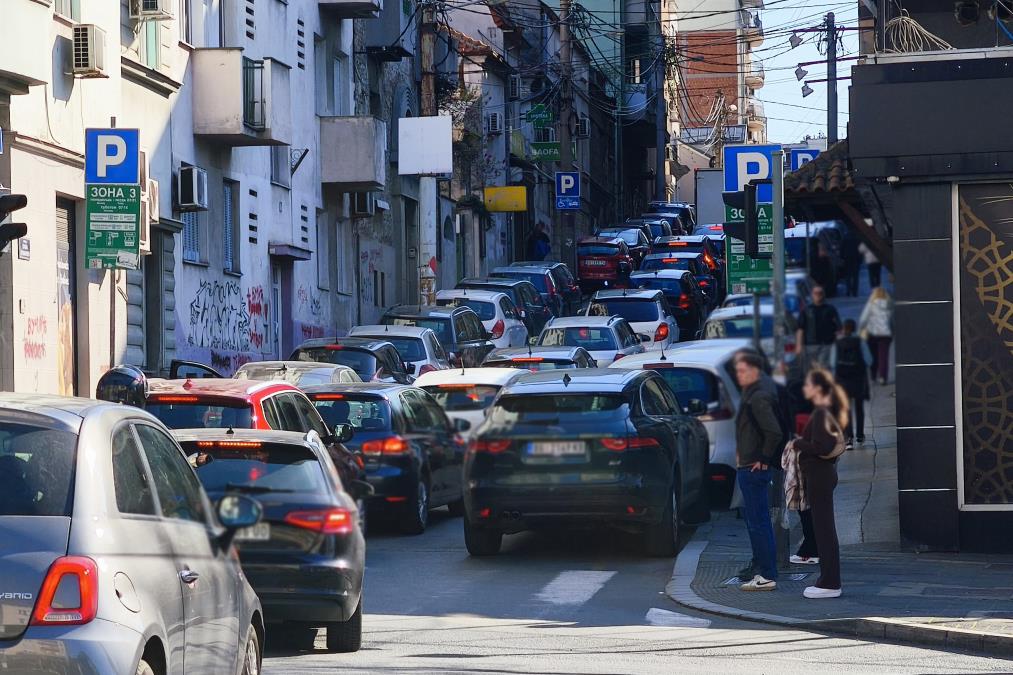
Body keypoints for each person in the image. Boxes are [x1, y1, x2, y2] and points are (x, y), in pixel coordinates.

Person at [792, 368, 849, 599]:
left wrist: (798, 444)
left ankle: (830, 582)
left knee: (824, 530)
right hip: (822, 474)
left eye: (808, 385)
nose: (805, 389)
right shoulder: (827, 411)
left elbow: (822, 447)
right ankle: (827, 580)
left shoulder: (821, 413)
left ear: (817, 388)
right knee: (824, 529)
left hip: (819, 476)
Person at [733, 351, 784, 592]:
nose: (738, 375)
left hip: (753, 468)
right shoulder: (756, 393)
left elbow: (773, 431)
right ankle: (763, 570)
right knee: (756, 521)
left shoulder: (758, 398)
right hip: (749, 464)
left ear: (755, 371)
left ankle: (766, 574)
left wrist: (762, 458)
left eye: (743, 371)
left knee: (758, 522)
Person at [830, 318, 872, 447]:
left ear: (843, 328)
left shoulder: (837, 343)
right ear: (854, 328)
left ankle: (848, 439)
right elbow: (869, 360)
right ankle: (860, 436)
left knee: (846, 409)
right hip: (858, 379)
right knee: (859, 408)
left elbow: (832, 363)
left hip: (842, 380)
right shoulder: (860, 341)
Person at [795, 286, 841, 369]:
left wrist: (838, 342)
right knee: (811, 369)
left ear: (824, 295)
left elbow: (838, 328)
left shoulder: (830, 309)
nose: (818, 295)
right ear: (812, 295)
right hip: (810, 345)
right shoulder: (806, 310)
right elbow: (800, 329)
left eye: (820, 293)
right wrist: (799, 345)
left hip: (826, 344)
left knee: (823, 367)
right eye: (816, 293)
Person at [859, 286, 893, 385]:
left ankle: (873, 375)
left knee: (873, 356)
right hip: (886, 335)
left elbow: (863, 319)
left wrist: (860, 330)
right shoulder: (889, 305)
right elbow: (893, 321)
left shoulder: (871, 304)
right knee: (884, 357)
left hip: (872, 334)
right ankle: (883, 377)